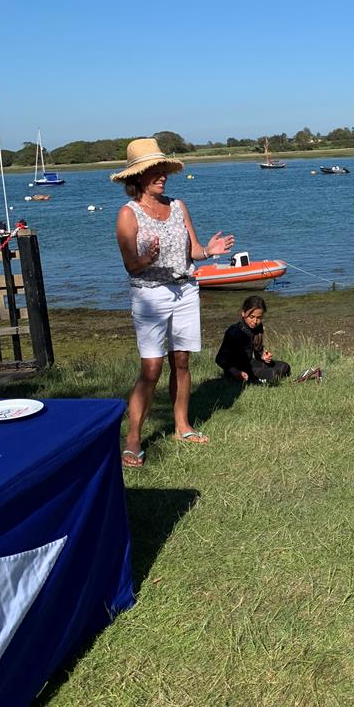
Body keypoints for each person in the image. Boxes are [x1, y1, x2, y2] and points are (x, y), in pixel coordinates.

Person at [113, 138, 234, 466]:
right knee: (151, 368)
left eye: (163, 168)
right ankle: (133, 437)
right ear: (137, 177)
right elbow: (131, 266)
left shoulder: (179, 206)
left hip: (185, 291)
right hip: (149, 296)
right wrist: (147, 258)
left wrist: (209, 251)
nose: (161, 174)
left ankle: (182, 426)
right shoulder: (128, 215)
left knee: (181, 361)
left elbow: (192, 250)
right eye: (154, 170)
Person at [215, 295, 291, 385]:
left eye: (258, 318)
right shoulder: (234, 331)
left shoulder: (258, 328)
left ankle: (258, 378)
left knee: (285, 367)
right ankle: (237, 379)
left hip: (249, 363)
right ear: (243, 313)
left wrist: (263, 356)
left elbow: (257, 352)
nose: (255, 321)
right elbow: (219, 359)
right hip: (236, 369)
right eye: (252, 317)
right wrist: (236, 372)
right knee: (274, 374)